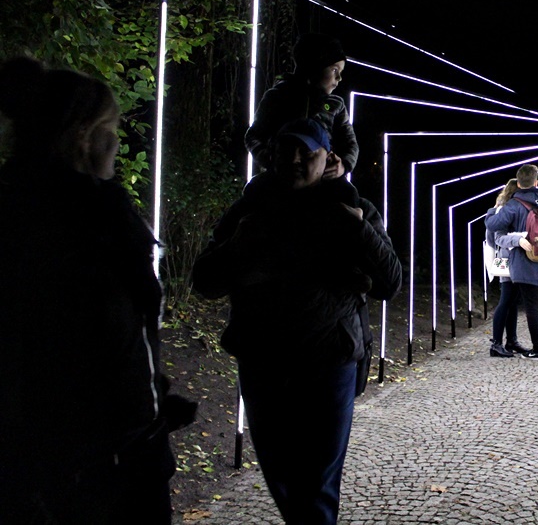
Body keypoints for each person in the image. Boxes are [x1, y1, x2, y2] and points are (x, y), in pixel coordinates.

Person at [0, 56, 192, 524]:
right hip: (97, 462)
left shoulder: (31, 207)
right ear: (85, 136)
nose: (117, 144)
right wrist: (140, 413)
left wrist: (151, 396)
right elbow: (93, 336)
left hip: (83, 453)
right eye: (113, 130)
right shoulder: (87, 223)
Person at [191, 118, 401, 525]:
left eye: (307, 151)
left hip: (330, 360)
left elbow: (390, 283)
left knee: (318, 481)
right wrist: (240, 244)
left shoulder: (350, 205)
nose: (295, 159)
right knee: (281, 474)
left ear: (328, 158)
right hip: (264, 362)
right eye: (287, 149)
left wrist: (358, 228)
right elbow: (204, 280)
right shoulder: (250, 208)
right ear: (271, 155)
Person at [244, 32, 359, 180]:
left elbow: (350, 142)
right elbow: (253, 135)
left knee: (349, 193)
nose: (339, 78)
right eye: (335, 70)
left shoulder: (336, 105)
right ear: (315, 66)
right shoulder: (278, 96)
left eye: (341, 72)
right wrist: (269, 159)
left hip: (321, 177)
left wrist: (344, 166)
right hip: (283, 176)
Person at [485, 164, 538, 360]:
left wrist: (493, 210)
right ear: (536, 182)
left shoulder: (513, 205)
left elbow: (492, 225)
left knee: (531, 305)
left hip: (525, 262)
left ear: (519, 183)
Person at [485, 179, 529, 357]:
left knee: (512, 301)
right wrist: (516, 240)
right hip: (508, 259)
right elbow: (495, 238)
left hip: (512, 258)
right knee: (506, 300)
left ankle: (511, 340)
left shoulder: (503, 209)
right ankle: (496, 343)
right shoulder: (503, 211)